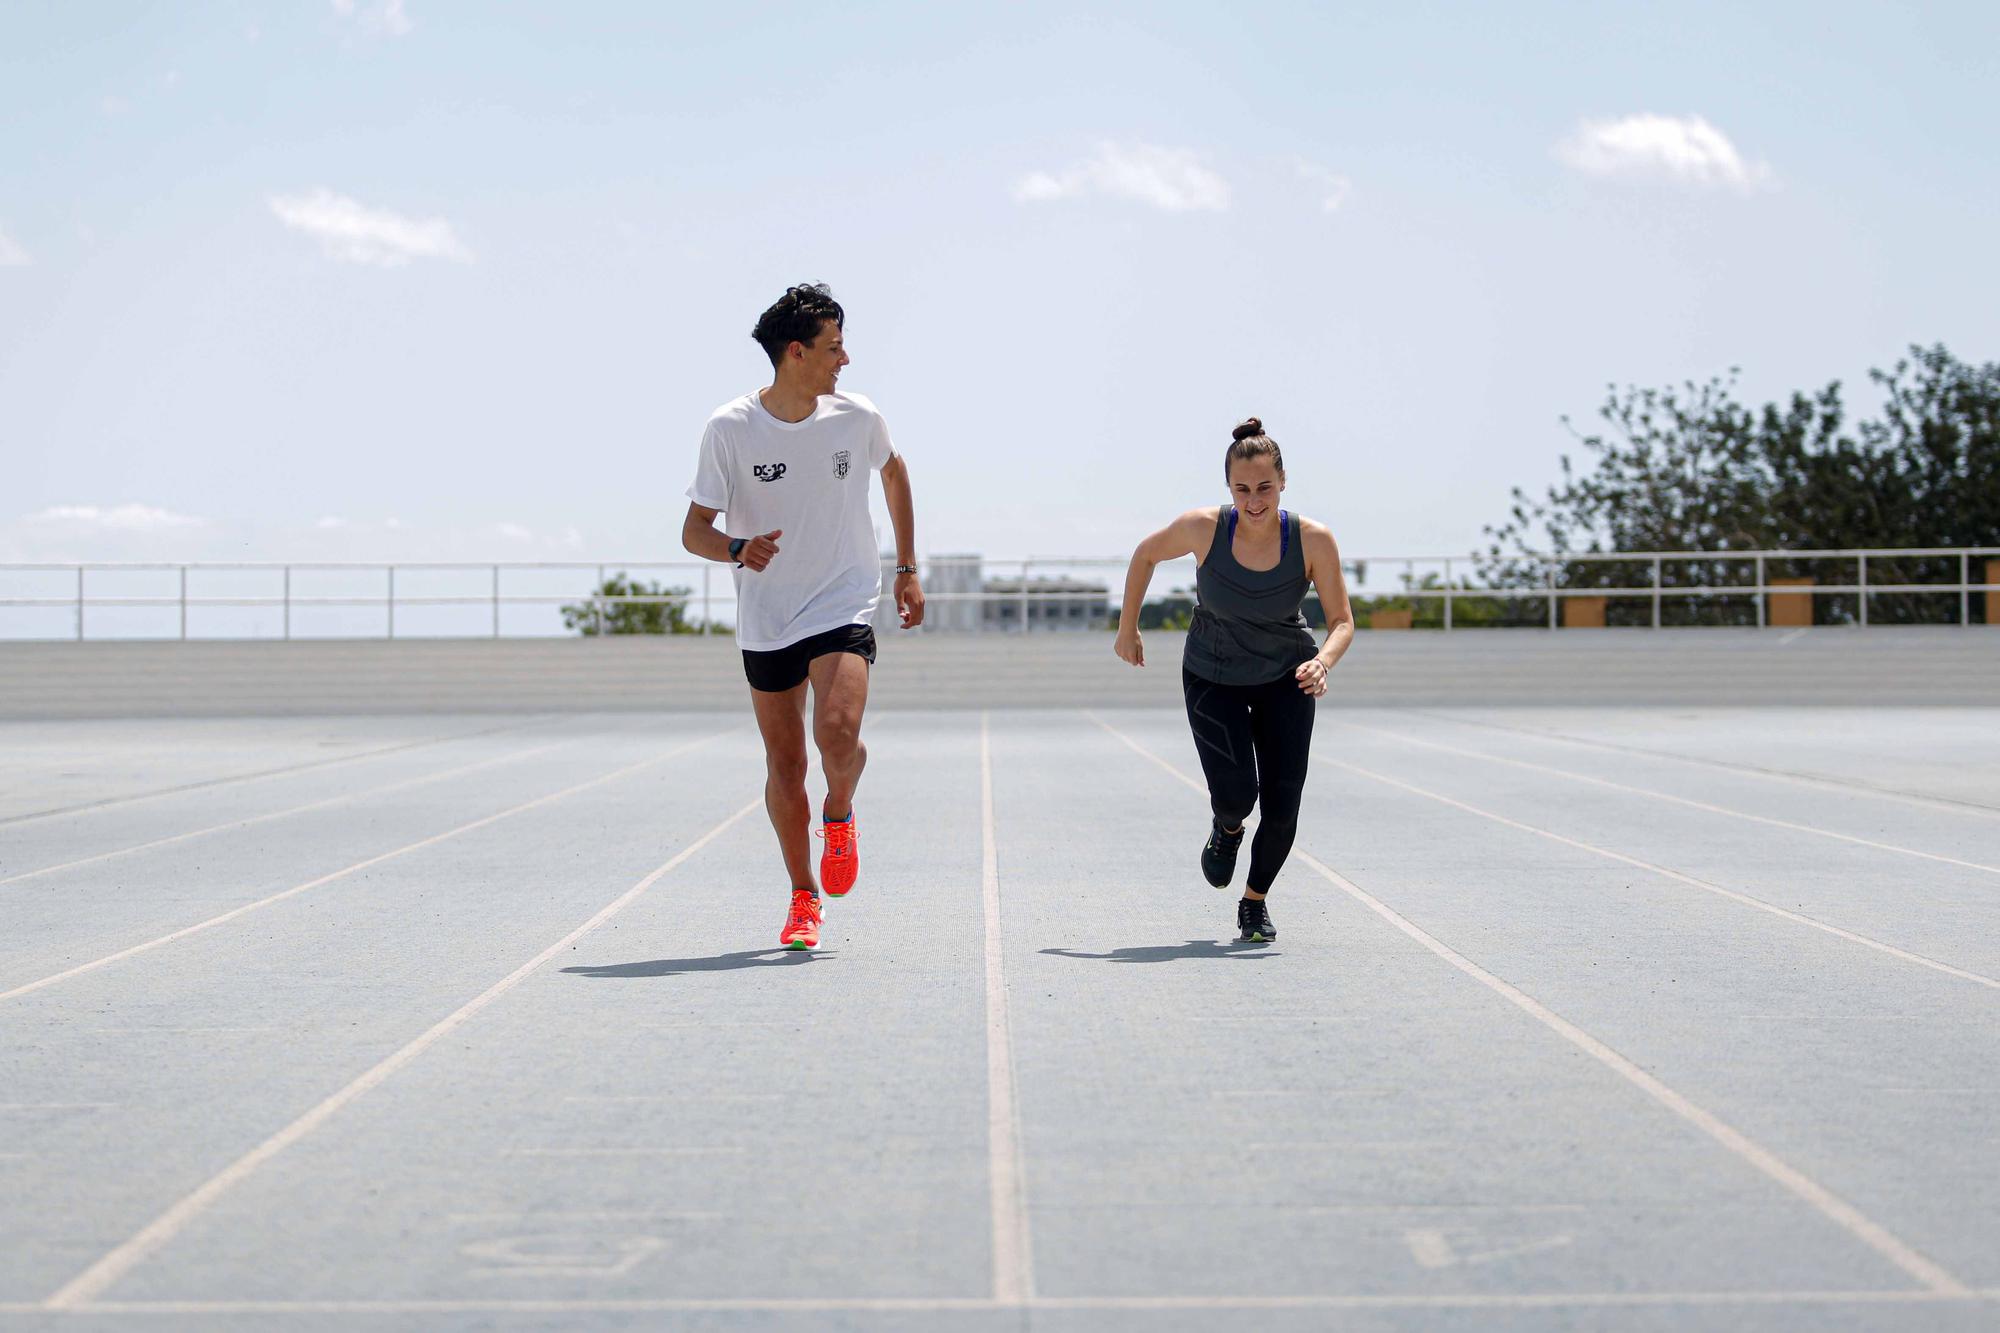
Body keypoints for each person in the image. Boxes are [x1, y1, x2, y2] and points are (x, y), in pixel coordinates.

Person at [683, 283, 924, 949]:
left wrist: (906, 567)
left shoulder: (856, 416)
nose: (844, 359)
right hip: (767, 617)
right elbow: (693, 529)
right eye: (833, 347)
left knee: (838, 734)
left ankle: (839, 812)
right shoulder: (729, 429)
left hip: (843, 597)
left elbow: (895, 474)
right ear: (796, 353)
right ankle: (802, 895)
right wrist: (736, 547)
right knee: (785, 765)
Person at [1113, 417, 1353, 943]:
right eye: (1242, 489)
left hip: (1285, 677)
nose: (1255, 500)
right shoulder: (1204, 528)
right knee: (1237, 796)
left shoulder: (1313, 540)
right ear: (1229, 489)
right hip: (1213, 674)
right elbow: (1145, 555)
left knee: (1284, 803)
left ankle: (1254, 902)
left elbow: (1342, 621)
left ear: (1283, 482)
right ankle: (1226, 831)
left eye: (1265, 487)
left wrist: (1324, 662)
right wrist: (1127, 627)